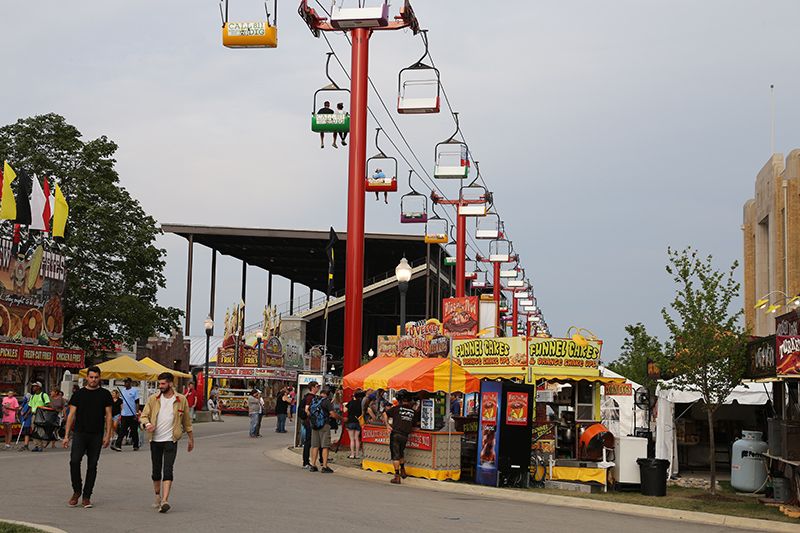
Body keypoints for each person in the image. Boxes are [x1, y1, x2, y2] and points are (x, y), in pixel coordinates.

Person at [140, 372, 194, 513]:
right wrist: (147, 425)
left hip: (171, 439)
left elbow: (187, 420)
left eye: (163, 384)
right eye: (159, 384)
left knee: (168, 469)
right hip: (155, 440)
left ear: (170, 384)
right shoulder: (153, 399)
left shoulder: (181, 399)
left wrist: (191, 438)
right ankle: (157, 496)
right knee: (156, 470)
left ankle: (165, 500)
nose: (160, 386)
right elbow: (144, 416)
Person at [62, 365, 114, 508]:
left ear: (99, 378)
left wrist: (108, 435)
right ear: (87, 378)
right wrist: (66, 435)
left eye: (96, 377)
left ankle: (87, 496)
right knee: (74, 461)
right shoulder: (79, 394)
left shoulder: (105, 394)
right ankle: (76, 491)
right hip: (80, 433)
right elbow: (71, 415)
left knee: (92, 465)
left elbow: (109, 416)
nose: (93, 380)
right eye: (91, 377)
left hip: (96, 434)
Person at [383, 390, 420, 484]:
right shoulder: (413, 412)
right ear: (410, 402)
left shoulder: (396, 408)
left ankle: (397, 476)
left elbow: (384, 414)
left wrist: (387, 425)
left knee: (395, 455)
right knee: (401, 452)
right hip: (405, 435)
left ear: (401, 400)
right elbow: (416, 424)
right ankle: (403, 471)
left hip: (395, 433)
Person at [307, 386, 343, 473]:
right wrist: (342, 419)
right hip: (324, 425)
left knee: (315, 446)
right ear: (327, 394)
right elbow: (333, 414)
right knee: (325, 446)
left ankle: (313, 465)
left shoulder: (314, 401)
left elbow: (308, 412)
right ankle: (324, 466)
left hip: (315, 426)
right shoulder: (326, 402)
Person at [112, 377, 140, 452]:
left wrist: (137, 413)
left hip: (132, 413)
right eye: (124, 382)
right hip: (124, 414)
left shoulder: (134, 391)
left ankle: (136, 445)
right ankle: (118, 445)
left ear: (130, 383)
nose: (125, 384)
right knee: (122, 430)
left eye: (127, 382)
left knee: (134, 431)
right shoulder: (123, 391)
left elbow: (137, 402)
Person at [300, 381, 319, 468]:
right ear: (313, 387)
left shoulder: (312, 397)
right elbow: (307, 409)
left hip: (310, 421)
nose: (318, 388)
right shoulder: (310, 397)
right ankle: (306, 461)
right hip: (309, 422)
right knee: (308, 441)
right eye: (317, 386)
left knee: (310, 441)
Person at [28, 381, 51, 452]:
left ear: (38, 387)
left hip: (41, 415)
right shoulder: (32, 397)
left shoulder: (44, 395)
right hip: (34, 415)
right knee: (34, 430)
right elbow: (31, 407)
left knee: (39, 430)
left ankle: (40, 445)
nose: (33, 388)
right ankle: (36, 445)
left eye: (35, 386)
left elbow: (48, 404)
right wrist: (26, 415)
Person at [345, 391, 364, 459]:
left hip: (350, 421)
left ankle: (352, 454)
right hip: (358, 421)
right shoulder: (361, 404)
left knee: (352, 439)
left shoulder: (350, 403)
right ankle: (357, 455)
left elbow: (344, 410)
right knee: (357, 439)